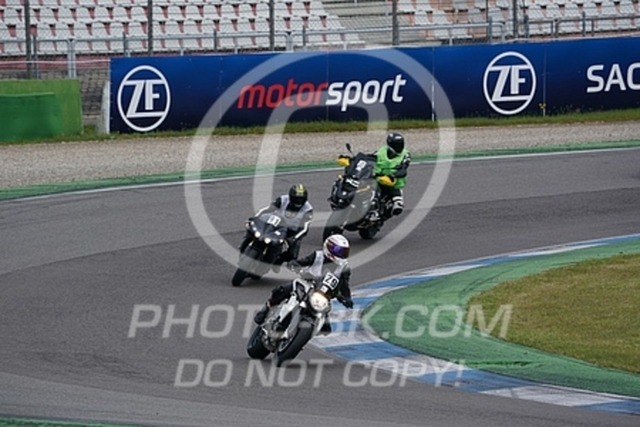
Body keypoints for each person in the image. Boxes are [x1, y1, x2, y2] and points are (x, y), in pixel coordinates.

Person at [253, 234, 354, 332]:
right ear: (329, 247)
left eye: (344, 252)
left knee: (325, 327)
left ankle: (306, 332)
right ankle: (266, 309)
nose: (341, 255)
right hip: (306, 283)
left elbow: (344, 285)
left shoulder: (344, 268)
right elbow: (303, 262)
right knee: (280, 290)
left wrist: (347, 298)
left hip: (323, 295)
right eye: (339, 251)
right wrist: (294, 264)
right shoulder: (318, 256)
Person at [239, 183, 313, 267]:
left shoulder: (308, 209)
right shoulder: (282, 200)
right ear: (291, 197)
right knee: (253, 230)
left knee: (292, 255)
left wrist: (293, 239)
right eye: (296, 199)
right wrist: (255, 218)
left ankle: (277, 261)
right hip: (276, 223)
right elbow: (267, 209)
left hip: (292, 231)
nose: (298, 202)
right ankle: (243, 245)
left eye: (301, 199)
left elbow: (305, 228)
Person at [373, 131, 411, 219]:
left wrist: (394, 175)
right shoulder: (381, 152)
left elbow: (403, 170)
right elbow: (370, 158)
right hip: (378, 178)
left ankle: (396, 202)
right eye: (397, 145)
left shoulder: (405, 155)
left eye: (400, 144)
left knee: (398, 206)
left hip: (393, 182)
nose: (399, 147)